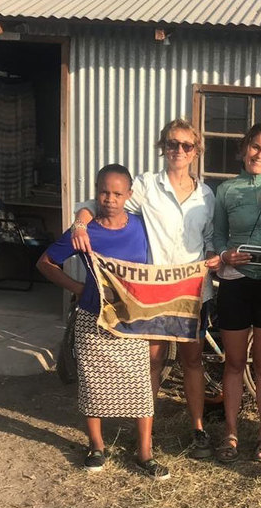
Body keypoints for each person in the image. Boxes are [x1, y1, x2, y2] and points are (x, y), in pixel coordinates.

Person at [70, 119, 220, 460]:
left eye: (186, 145)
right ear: (162, 146)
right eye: (171, 143)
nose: (178, 151)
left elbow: (209, 237)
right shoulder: (147, 185)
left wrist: (211, 255)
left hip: (192, 290)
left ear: (196, 151)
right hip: (153, 291)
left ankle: (197, 429)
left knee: (192, 359)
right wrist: (80, 221)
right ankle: (145, 433)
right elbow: (105, 202)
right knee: (152, 360)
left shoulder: (206, 194)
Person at [37, 164, 169, 479]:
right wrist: (78, 287)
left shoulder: (141, 226)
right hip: (92, 319)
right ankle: (96, 446)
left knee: (140, 387)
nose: (109, 199)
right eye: (104, 192)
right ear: (96, 192)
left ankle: (145, 452)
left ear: (129, 195)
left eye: (117, 193)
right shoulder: (85, 231)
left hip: (130, 320)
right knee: (93, 385)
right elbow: (45, 262)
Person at [212, 122, 261, 463]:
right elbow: (217, 235)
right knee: (232, 363)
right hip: (234, 281)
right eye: (255, 147)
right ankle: (230, 432)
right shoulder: (226, 190)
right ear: (244, 148)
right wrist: (224, 255)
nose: (260, 155)